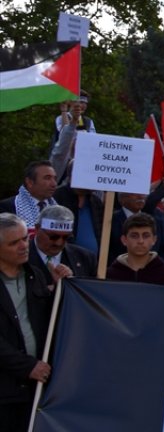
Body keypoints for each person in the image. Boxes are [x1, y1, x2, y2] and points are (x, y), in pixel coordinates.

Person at [0, 214, 54, 430]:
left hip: (35, 388)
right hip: (5, 391)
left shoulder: (36, 276)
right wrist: (27, 366)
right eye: (14, 243)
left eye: (25, 238)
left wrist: (62, 290)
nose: (23, 246)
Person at [106, 214, 164, 287]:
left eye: (146, 236)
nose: (140, 241)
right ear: (124, 240)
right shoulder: (107, 276)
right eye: (134, 236)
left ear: (154, 240)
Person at [29, 206, 93, 280]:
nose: (59, 243)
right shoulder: (18, 256)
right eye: (53, 237)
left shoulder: (85, 258)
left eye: (66, 237)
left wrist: (72, 282)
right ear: (37, 229)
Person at [0, 161, 59, 230]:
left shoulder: (59, 208)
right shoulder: (8, 207)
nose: (54, 184)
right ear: (30, 182)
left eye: (55, 178)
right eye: (47, 178)